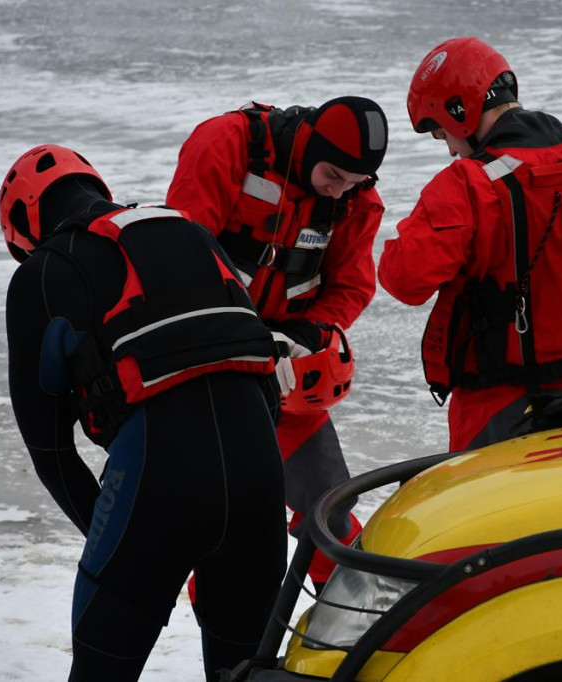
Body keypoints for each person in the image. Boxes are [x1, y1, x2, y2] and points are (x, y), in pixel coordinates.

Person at [0, 144, 288, 681]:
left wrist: (123, 545)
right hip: (260, 475)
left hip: (162, 478)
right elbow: (261, 379)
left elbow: (51, 451)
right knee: (246, 672)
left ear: (22, 223)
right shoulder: (190, 231)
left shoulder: (41, 273)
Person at [379, 37, 562, 452]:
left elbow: (404, 280)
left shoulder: (467, 184)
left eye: (442, 134)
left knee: (492, 516)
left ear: (461, 110)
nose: (451, 149)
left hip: (499, 407)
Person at [166, 96, 387, 591]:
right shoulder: (227, 144)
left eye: (354, 182)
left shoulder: (354, 197)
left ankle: (356, 617)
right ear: (311, 144)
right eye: (333, 175)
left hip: (287, 370)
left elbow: (353, 285)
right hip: (211, 362)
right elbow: (180, 253)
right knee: (215, 510)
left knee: (330, 503)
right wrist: (245, 334)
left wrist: (310, 334)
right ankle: (223, 643)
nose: (339, 190)